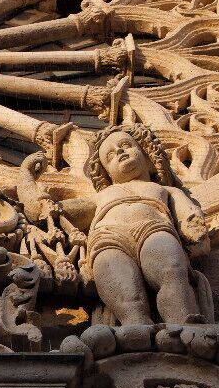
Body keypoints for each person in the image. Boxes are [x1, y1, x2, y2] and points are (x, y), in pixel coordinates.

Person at [83, 124, 209, 325]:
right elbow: (56, 210)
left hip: (154, 229)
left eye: (126, 144)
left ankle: (182, 322)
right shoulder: (103, 196)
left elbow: (189, 215)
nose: (120, 152)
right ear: (107, 174)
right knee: (124, 291)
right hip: (109, 239)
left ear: (148, 157)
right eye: (110, 156)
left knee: (171, 269)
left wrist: (193, 226)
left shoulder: (164, 190)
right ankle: (136, 327)